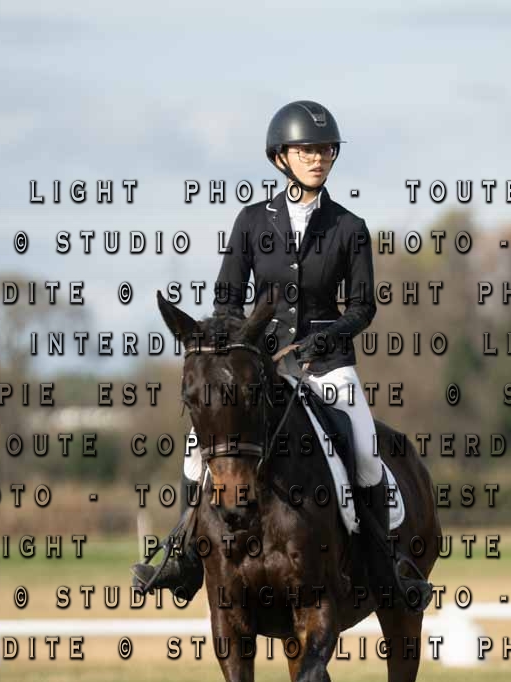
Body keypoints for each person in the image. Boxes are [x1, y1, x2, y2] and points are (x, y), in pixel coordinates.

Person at [132, 100, 428, 611]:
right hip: (260, 369)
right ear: (280, 158)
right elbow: (227, 299)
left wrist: (325, 339)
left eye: (326, 150)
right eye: (307, 150)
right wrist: (237, 350)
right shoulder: (251, 222)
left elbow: (363, 307)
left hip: (328, 367)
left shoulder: (348, 227)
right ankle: (182, 557)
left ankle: (384, 564)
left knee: (364, 452)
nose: (318, 158)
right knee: (196, 450)